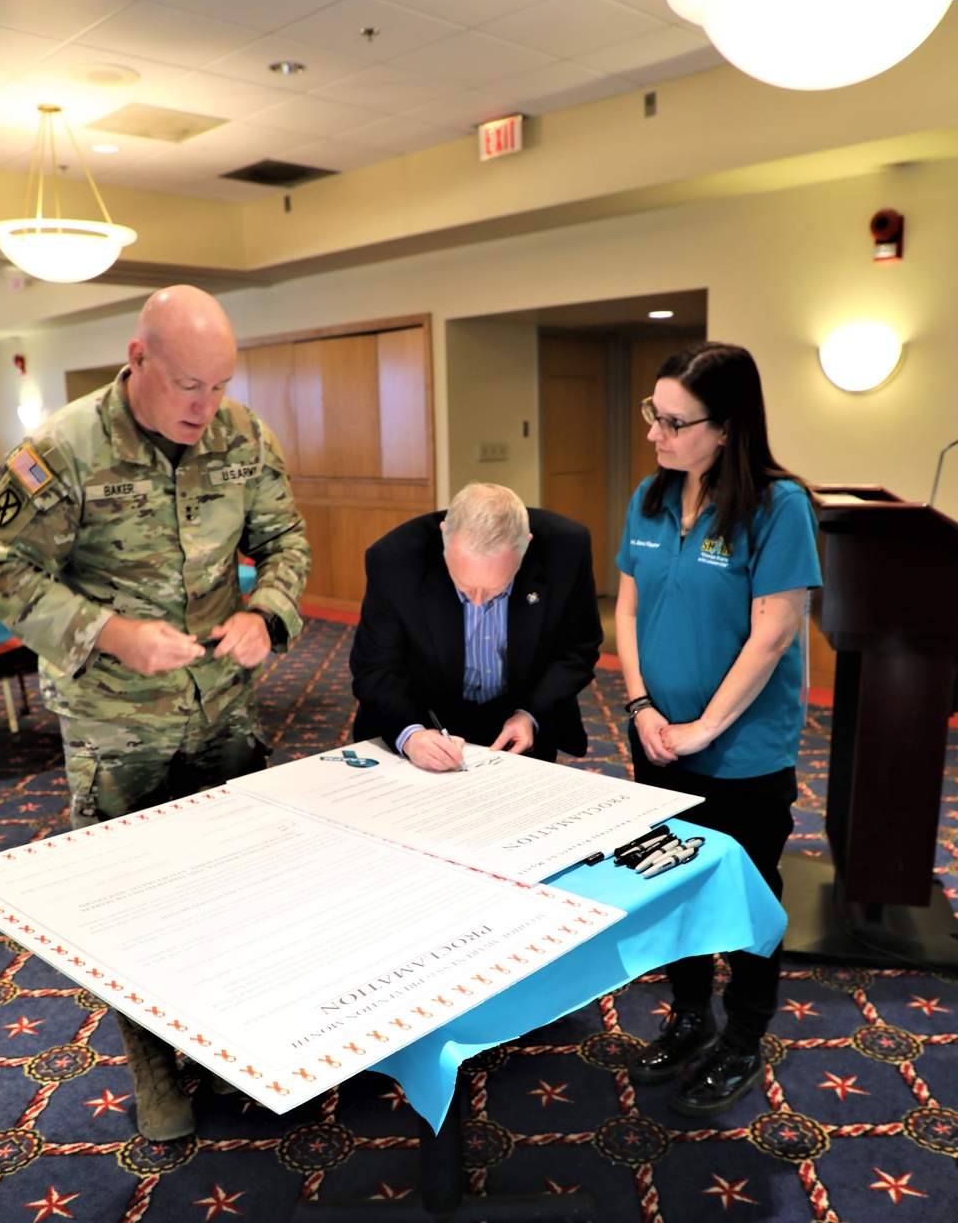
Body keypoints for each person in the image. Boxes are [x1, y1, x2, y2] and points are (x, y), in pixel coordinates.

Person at [0, 285, 310, 1141]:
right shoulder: (61, 451)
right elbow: (2, 569)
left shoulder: (244, 437)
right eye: (188, 387)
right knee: (136, 906)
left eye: (221, 385)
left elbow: (287, 542)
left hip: (222, 714)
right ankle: (157, 1075)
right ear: (138, 361)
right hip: (115, 725)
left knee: (242, 887)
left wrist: (265, 614)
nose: (206, 408)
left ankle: (233, 1042)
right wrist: (107, 633)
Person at [616, 342, 821, 1116]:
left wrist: (702, 729)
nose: (655, 434)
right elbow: (628, 609)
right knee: (671, 886)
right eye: (652, 415)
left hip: (739, 752)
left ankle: (743, 1036)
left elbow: (772, 635)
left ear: (727, 427)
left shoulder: (779, 507)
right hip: (658, 740)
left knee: (745, 897)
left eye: (673, 421)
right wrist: (641, 708)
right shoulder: (651, 497)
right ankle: (691, 1013)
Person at [349, 482, 602, 770]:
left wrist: (529, 716)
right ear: (445, 536)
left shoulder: (566, 549)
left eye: (496, 590)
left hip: (522, 713)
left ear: (525, 546)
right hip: (425, 717)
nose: (479, 603)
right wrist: (412, 736)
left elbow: (578, 649)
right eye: (465, 588)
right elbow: (375, 668)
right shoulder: (395, 561)